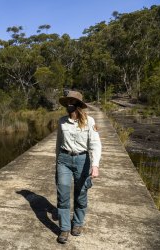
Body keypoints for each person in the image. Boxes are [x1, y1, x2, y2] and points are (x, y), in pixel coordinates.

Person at [55, 90, 102, 244]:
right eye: (67, 103)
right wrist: (58, 161)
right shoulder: (62, 121)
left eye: (72, 103)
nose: (69, 105)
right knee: (63, 194)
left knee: (81, 194)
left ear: (78, 105)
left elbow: (95, 144)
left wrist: (95, 165)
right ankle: (65, 229)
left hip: (82, 160)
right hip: (64, 159)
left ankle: (78, 224)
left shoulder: (90, 121)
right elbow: (58, 143)